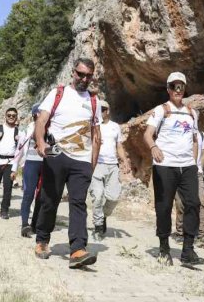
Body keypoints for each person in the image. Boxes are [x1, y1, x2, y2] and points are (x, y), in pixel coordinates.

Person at [33, 58, 102, 269]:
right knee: (49, 199)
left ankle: (78, 249)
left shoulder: (94, 101)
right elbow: (41, 121)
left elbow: (96, 134)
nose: (84, 79)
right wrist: (41, 143)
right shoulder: (58, 93)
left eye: (88, 76)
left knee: (78, 202)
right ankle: (42, 240)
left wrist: (92, 163)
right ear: (73, 72)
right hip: (57, 155)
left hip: (82, 159)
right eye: (80, 74)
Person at [143, 72, 204, 267]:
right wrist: (154, 148)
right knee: (164, 206)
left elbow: (195, 139)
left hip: (187, 166)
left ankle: (188, 250)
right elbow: (147, 134)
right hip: (165, 166)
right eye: (174, 86)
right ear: (168, 89)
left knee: (193, 203)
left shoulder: (191, 113)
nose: (178, 90)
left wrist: (194, 162)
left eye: (181, 87)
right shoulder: (161, 110)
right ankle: (164, 248)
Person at [89, 100, 127, 238]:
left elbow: (119, 146)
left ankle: (103, 215)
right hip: (97, 164)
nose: (101, 111)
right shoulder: (91, 126)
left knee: (114, 197)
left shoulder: (115, 127)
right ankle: (98, 225)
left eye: (103, 109)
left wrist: (125, 161)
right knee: (97, 196)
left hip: (112, 166)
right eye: (98, 109)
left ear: (108, 111)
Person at [175, 129, 204, 248]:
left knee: (201, 202)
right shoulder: (179, 131)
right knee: (180, 202)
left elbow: (203, 154)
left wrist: (202, 171)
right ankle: (180, 232)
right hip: (181, 170)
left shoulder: (201, 134)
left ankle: (201, 234)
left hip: (197, 172)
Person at [12, 105, 43, 237]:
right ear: (35, 114)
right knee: (28, 194)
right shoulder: (27, 129)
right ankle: (25, 224)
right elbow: (19, 150)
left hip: (47, 165)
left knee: (42, 197)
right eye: (40, 113)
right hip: (31, 163)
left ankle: (36, 223)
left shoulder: (53, 127)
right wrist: (14, 168)